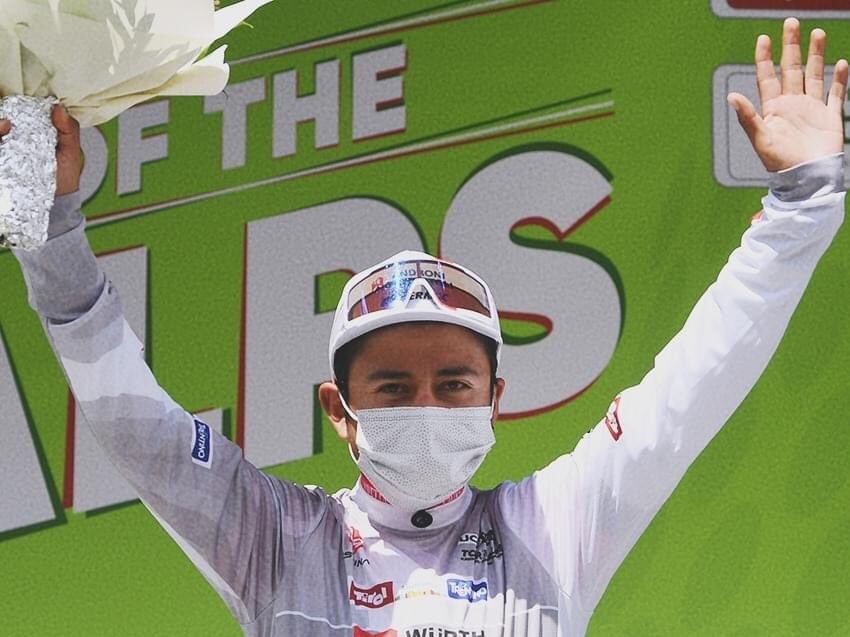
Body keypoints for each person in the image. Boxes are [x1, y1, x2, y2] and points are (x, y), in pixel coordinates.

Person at [6, 17, 847, 637]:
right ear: (338, 409)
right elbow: (133, 423)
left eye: (452, 383)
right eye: (393, 386)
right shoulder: (277, 537)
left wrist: (802, 207)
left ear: (495, 399)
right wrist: (47, 223)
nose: (427, 404)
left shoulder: (553, 525)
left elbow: (693, 385)